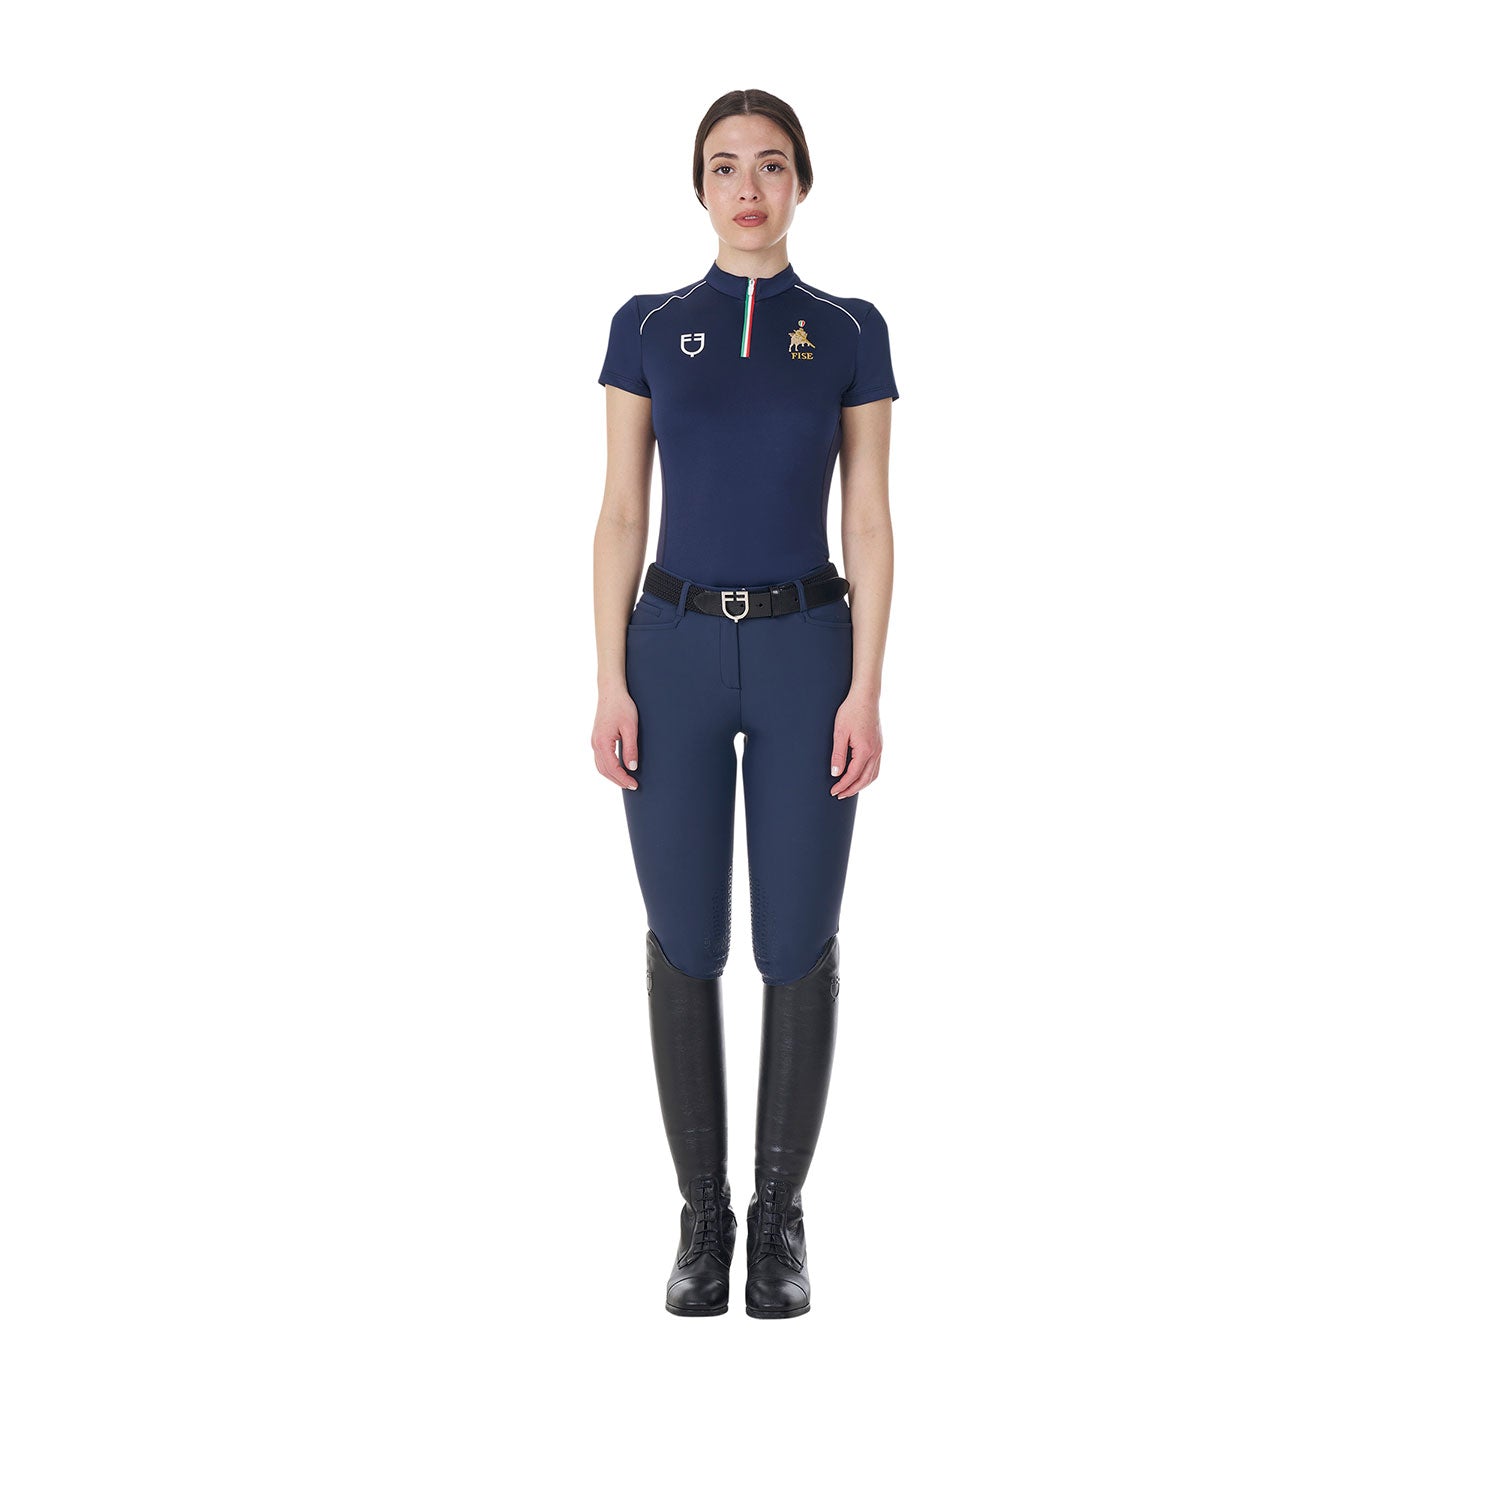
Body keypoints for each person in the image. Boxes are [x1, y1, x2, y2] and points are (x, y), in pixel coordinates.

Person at [590, 89, 898, 1318]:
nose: (749, 188)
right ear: (700, 188)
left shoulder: (852, 329)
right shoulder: (649, 326)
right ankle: (701, 1219)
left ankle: (778, 1220)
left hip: (804, 647)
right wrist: (608, 676)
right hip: (667, 647)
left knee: (796, 935)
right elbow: (621, 509)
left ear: (802, 182)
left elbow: (868, 517)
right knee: (684, 935)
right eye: (725, 167)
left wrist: (865, 684)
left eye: (771, 165)